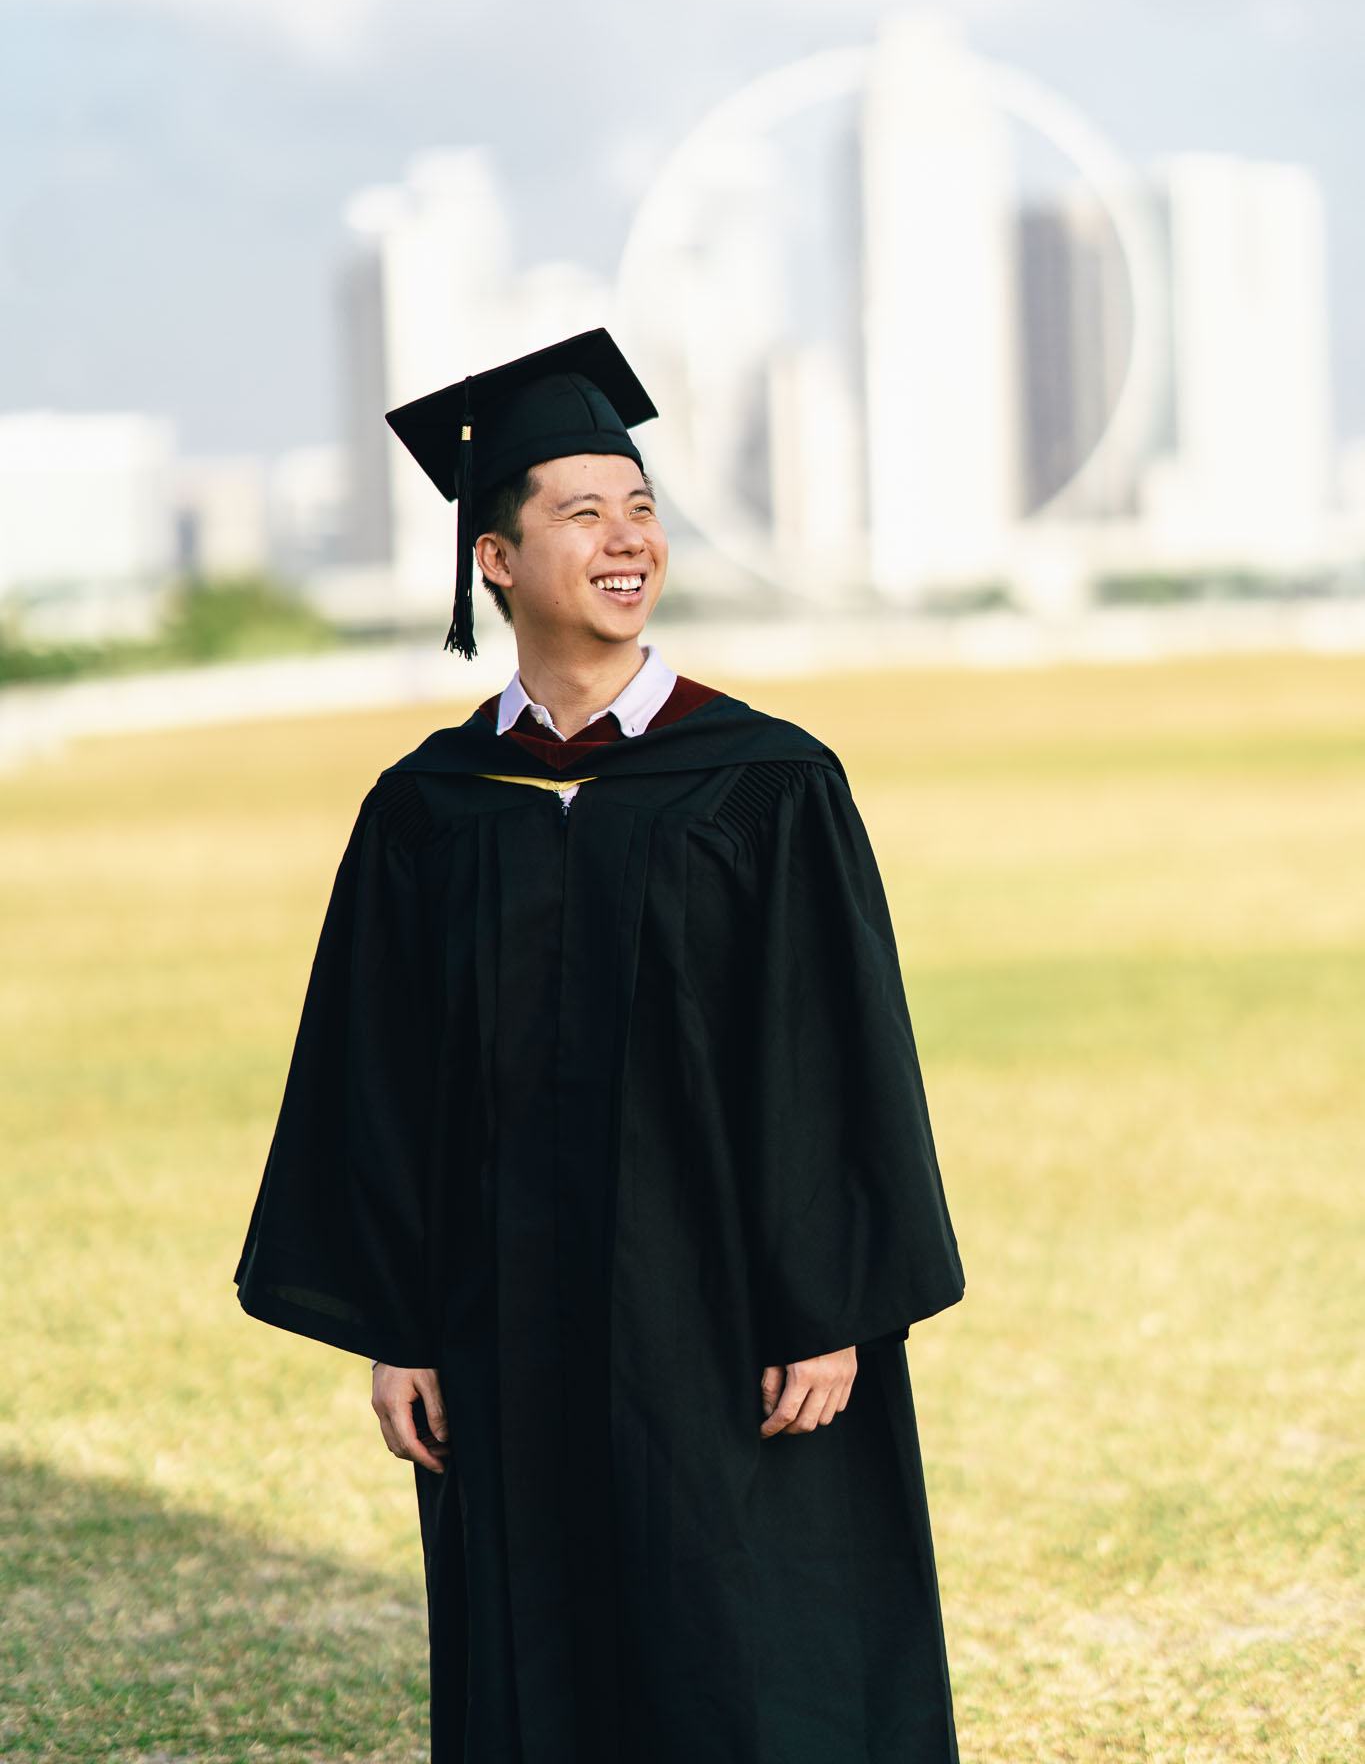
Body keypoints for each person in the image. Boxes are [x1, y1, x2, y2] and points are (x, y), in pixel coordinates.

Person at [236, 330, 965, 1764]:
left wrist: (826, 1302)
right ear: (496, 560)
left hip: (727, 1318)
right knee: (542, 1651)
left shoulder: (764, 783)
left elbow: (834, 1052)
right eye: (583, 512)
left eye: (641, 509)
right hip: (502, 1322)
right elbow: (376, 1084)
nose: (628, 538)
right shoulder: (432, 809)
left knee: (748, 1645)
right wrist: (400, 1330)